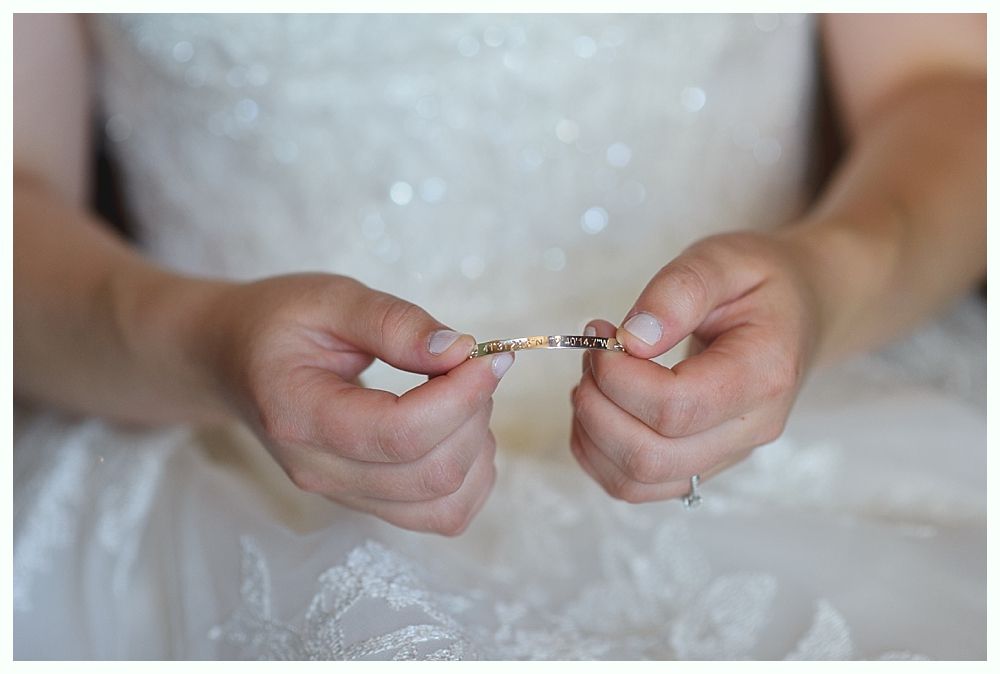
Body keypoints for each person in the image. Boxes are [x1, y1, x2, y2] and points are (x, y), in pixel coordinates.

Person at [13, 13, 985, 659]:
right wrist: (204, 346)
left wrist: (829, 279)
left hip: (806, 435)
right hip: (207, 466)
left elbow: (949, 84)